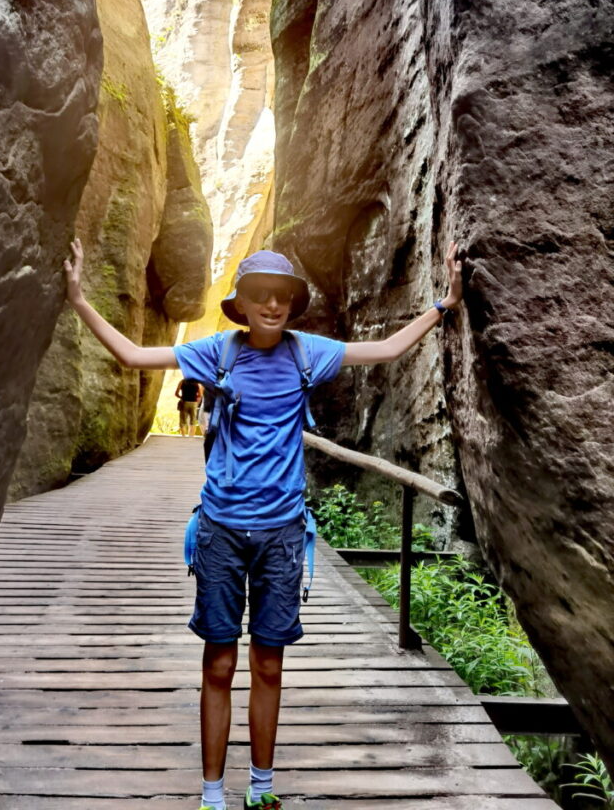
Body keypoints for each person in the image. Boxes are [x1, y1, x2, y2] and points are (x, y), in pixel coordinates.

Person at [64, 239, 463, 810]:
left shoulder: (308, 354)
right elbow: (133, 356)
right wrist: (78, 297)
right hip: (222, 531)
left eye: (281, 297)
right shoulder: (217, 353)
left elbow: (386, 348)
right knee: (220, 662)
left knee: (269, 664)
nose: (272, 306)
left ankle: (260, 789)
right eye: (260, 297)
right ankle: (210, 796)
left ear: (291, 304)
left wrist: (445, 304)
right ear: (243, 304)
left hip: (280, 535)